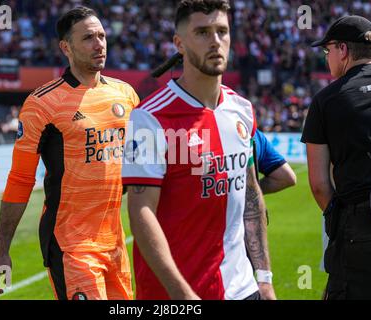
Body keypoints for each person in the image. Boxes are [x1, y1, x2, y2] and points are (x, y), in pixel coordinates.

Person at [122, 0, 275, 300]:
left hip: (243, 290)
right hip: (175, 295)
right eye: (203, 32)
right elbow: (141, 212)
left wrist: (264, 278)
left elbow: (250, 193)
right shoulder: (148, 118)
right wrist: (183, 295)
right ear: (179, 43)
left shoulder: (242, 109)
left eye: (222, 31)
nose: (215, 41)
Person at [0, 6, 140, 300]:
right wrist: (1, 250)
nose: (99, 44)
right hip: (70, 243)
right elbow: (20, 179)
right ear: (65, 47)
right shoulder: (42, 104)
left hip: (115, 242)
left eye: (102, 36)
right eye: (88, 38)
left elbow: (143, 166)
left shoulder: (126, 95)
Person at [301, 15, 371, 300]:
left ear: (343, 50)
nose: (327, 58)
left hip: (361, 225)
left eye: (328, 51)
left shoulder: (326, 100)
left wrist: (342, 218)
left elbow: (319, 184)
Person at [253, 129, 296, 194]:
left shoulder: (257, 136)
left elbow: (287, 178)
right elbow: (286, 178)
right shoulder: (256, 136)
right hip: (245, 202)